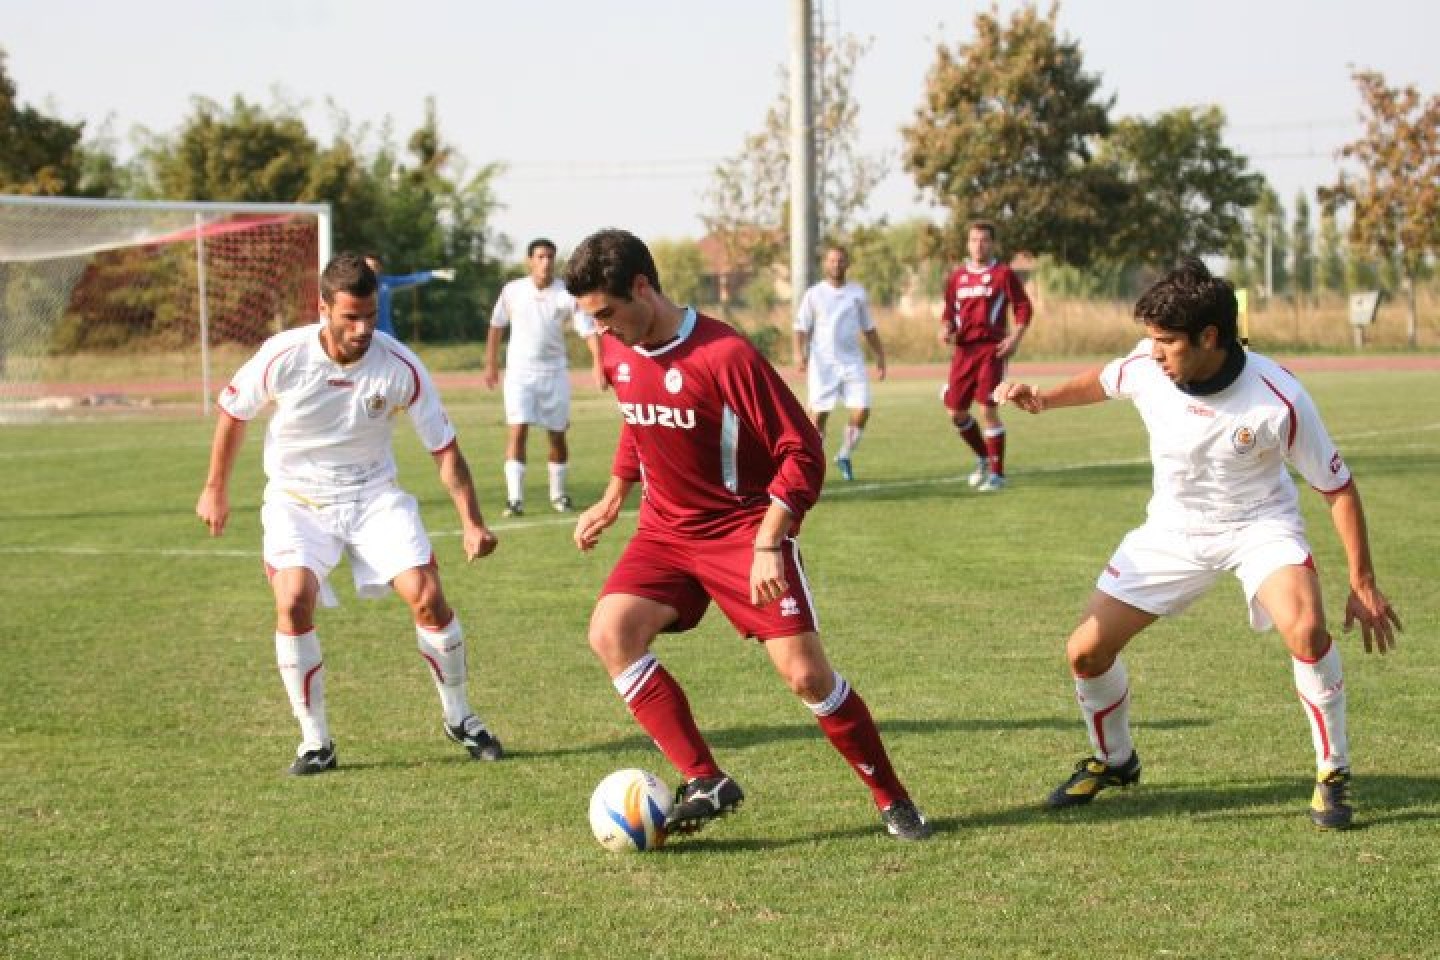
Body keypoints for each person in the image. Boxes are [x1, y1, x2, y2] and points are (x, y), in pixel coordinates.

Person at [993, 257, 1401, 829]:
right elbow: (1107, 379)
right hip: (1171, 531)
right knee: (1084, 652)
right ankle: (1115, 760)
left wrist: (1362, 584)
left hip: (1259, 526)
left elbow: (1337, 487)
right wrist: (1044, 398)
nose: (1154, 353)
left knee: (1307, 631)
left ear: (1209, 337)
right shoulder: (1147, 364)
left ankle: (1332, 773)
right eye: (1151, 341)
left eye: (1166, 342)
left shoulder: (1277, 396)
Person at [562, 228, 931, 842]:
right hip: (664, 530)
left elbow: (803, 451)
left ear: (642, 287)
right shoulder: (614, 349)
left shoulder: (724, 355)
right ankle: (705, 778)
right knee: (611, 633)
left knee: (807, 677)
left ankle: (892, 796)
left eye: (607, 314)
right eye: (592, 320)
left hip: (742, 529)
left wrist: (768, 541)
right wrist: (613, 493)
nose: (602, 330)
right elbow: (639, 418)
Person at [196, 252, 504, 775]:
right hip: (298, 498)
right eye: (350, 317)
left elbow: (444, 448)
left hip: (373, 495)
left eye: (370, 315)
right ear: (323, 309)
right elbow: (233, 412)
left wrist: (471, 520)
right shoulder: (283, 355)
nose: (364, 329)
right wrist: (214, 489)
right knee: (293, 600)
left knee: (428, 598)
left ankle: (461, 718)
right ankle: (316, 743)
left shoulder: (399, 364)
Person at [484, 238, 605, 517]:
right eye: (540, 256)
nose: (546, 262)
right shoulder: (513, 291)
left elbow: (587, 330)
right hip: (519, 374)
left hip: (555, 373)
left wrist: (598, 362)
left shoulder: (566, 293)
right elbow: (495, 326)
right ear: (529, 261)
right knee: (517, 430)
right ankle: (515, 499)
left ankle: (559, 496)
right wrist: (491, 363)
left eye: (550, 256)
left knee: (557, 436)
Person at [939, 220, 1033, 492]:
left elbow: (1023, 307)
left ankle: (998, 475)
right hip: (963, 351)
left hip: (992, 350)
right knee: (956, 413)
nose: (979, 245)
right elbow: (949, 313)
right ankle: (983, 457)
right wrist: (945, 328)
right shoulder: (957, 277)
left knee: (987, 410)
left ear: (993, 244)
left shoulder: (1003, 274)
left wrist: (1015, 337)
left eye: (984, 240)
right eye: (974, 240)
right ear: (968, 244)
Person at [793, 245, 886, 482]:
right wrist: (798, 353)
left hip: (852, 362)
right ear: (826, 264)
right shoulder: (814, 294)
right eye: (832, 260)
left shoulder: (857, 293)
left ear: (847, 263)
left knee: (862, 409)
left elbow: (868, 327)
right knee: (818, 417)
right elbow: (800, 327)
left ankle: (844, 454)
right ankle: (811, 467)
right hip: (822, 364)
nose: (836, 264)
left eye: (841, 260)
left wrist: (880, 356)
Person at [362, 254, 455, 339]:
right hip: (365, 333)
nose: (371, 269)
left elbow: (410, 279)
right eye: (368, 267)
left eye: (374, 266)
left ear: (379, 268)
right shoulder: (355, 285)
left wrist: (433, 273)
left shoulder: (386, 282)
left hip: (386, 334)